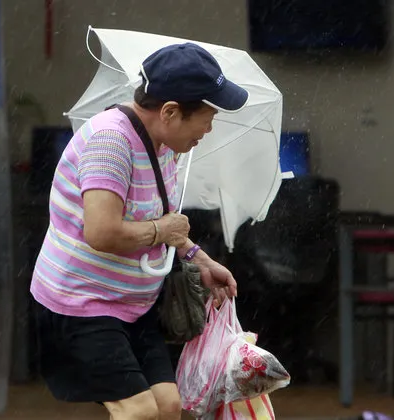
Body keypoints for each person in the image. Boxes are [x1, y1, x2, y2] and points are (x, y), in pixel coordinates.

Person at [29, 43, 248, 420]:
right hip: (83, 305)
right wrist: (163, 229)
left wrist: (199, 258)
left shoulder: (163, 146)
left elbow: (162, 223)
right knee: (138, 412)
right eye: (208, 117)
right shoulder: (111, 141)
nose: (209, 130)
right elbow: (102, 232)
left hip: (134, 306)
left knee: (169, 407)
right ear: (170, 112)